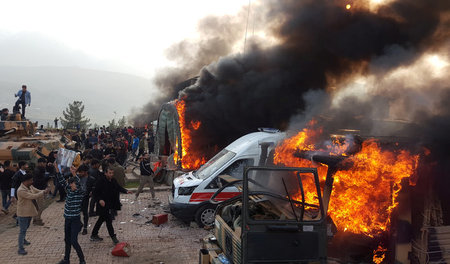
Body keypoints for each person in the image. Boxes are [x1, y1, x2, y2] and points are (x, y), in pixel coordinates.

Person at [54, 164, 86, 264]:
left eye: (73, 184)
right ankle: (66, 259)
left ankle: (82, 260)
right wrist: (57, 170)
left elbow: (80, 185)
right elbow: (62, 181)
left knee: (73, 241)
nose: (71, 185)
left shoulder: (79, 193)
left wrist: (74, 174)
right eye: (70, 184)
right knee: (67, 240)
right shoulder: (68, 190)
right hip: (67, 219)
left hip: (75, 220)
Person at [90, 166, 130, 244]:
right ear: (105, 173)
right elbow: (95, 193)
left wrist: (126, 191)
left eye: (112, 173)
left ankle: (94, 235)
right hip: (102, 205)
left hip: (109, 204)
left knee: (101, 219)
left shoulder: (113, 181)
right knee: (108, 221)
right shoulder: (101, 181)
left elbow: (118, 187)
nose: (111, 175)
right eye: (109, 173)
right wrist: (100, 200)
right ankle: (113, 237)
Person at [16, 173, 49, 255]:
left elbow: (36, 191)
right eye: (31, 180)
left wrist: (43, 191)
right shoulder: (21, 190)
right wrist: (43, 192)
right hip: (23, 213)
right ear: (26, 181)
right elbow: (32, 196)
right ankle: (20, 248)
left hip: (29, 212)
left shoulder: (29, 186)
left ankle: (23, 240)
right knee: (22, 230)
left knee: (26, 228)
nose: (32, 181)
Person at [76, 164, 95, 235]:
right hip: (77, 197)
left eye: (81, 172)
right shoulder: (77, 178)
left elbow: (94, 188)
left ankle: (85, 227)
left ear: (86, 172)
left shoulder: (91, 179)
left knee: (85, 213)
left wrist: (91, 192)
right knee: (76, 213)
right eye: (79, 172)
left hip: (85, 198)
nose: (80, 174)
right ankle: (80, 224)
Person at [32, 158, 49, 226]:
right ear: (41, 163)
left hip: (39, 189)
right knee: (41, 206)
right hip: (39, 190)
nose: (45, 164)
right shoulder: (38, 170)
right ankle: (37, 219)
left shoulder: (39, 169)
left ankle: (35, 218)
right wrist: (46, 178)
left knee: (37, 206)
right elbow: (38, 181)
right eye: (44, 163)